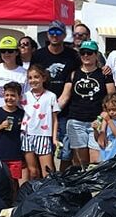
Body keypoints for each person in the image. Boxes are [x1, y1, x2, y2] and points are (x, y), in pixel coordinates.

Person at [31, 20, 81, 172]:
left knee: (65, 153)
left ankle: (62, 180)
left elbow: (74, 79)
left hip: (65, 111)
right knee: (44, 151)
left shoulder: (72, 55)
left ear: (64, 35)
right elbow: (34, 79)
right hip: (42, 111)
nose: (54, 35)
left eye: (58, 32)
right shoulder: (38, 55)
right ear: (47, 34)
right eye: (52, 32)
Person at [58, 40, 116, 169]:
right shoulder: (73, 74)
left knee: (96, 159)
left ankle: (95, 187)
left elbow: (111, 99)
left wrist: (104, 117)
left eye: (89, 53)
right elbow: (64, 97)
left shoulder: (104, 74)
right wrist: (49, 113)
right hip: (76, 120)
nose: (86, 56)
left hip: (96, 121)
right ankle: (83, 186)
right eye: (83, 53)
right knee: (80, 161)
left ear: (96, 54)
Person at [0, 81, 25, 198]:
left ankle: (13, 204)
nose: (9, 98)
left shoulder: (21, 113)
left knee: (14, 182)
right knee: (1, 182)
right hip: (0, 155)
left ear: (19, 97)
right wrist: (0, 126)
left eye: (13, 95)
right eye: (7, 95)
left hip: (16, 155)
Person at [22, 64, 60, 179]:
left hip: (43, 135)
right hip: (27, 134)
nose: (33, 80)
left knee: (47, 171)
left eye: (36, 77)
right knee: (33, 171)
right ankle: (35, 194)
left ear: (43, 78)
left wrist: (54, 138)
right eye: (30, 77)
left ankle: (49, 194)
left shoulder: (51, 96)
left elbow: (55, 119)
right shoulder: (24, 96)